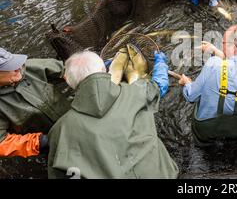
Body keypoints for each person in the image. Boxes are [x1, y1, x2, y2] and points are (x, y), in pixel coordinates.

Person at [47, 50, 178, 179]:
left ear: (69, 82)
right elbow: (159, 85)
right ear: (104, 69)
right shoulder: (137, 90)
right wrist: (160, 62)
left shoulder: (60, 130)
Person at [0, 48, 71, 158]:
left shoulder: (28, 67)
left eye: (14, 62)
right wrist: (42, 142)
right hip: (49, 143)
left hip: (72, 118)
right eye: (9, 67)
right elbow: (2, 143)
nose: (18, 68)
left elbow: (69, 70)